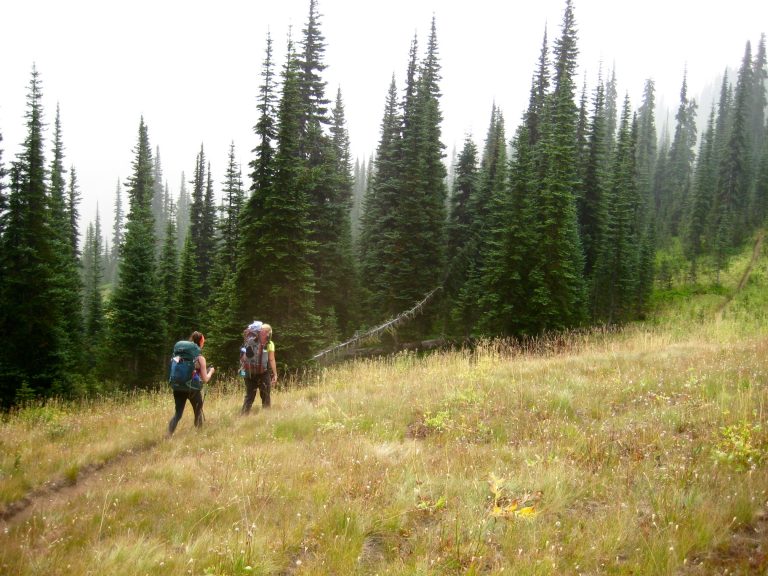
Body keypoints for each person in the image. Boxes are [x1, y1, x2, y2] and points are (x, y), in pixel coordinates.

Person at [168, 331, 215, 436]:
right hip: (192, 389)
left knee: (178, 414)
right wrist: (211, 371)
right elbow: (205, 379)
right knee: (197, 412)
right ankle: (199, 435)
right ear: (201, 342)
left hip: (178, 387)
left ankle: (168, 434)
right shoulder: (200, 358)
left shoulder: (178, 356)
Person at [240, 323, 277, 413]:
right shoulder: (270, 344)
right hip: (263, 373)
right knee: (265, 396)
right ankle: (266, 416)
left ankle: (243, 417)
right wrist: (275, 374)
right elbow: (271, 359)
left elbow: (242, 357)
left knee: (249, 396)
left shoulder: (249, 341)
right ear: (268, 333)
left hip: (248, 373)